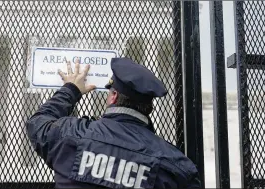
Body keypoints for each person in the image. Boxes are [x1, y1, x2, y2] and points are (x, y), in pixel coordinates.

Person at [26, 57, 201, 188]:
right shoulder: (174, 164)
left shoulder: (70, 135)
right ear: (149, 107)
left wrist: (70, 89)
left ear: (114, 96)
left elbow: (38, 122)